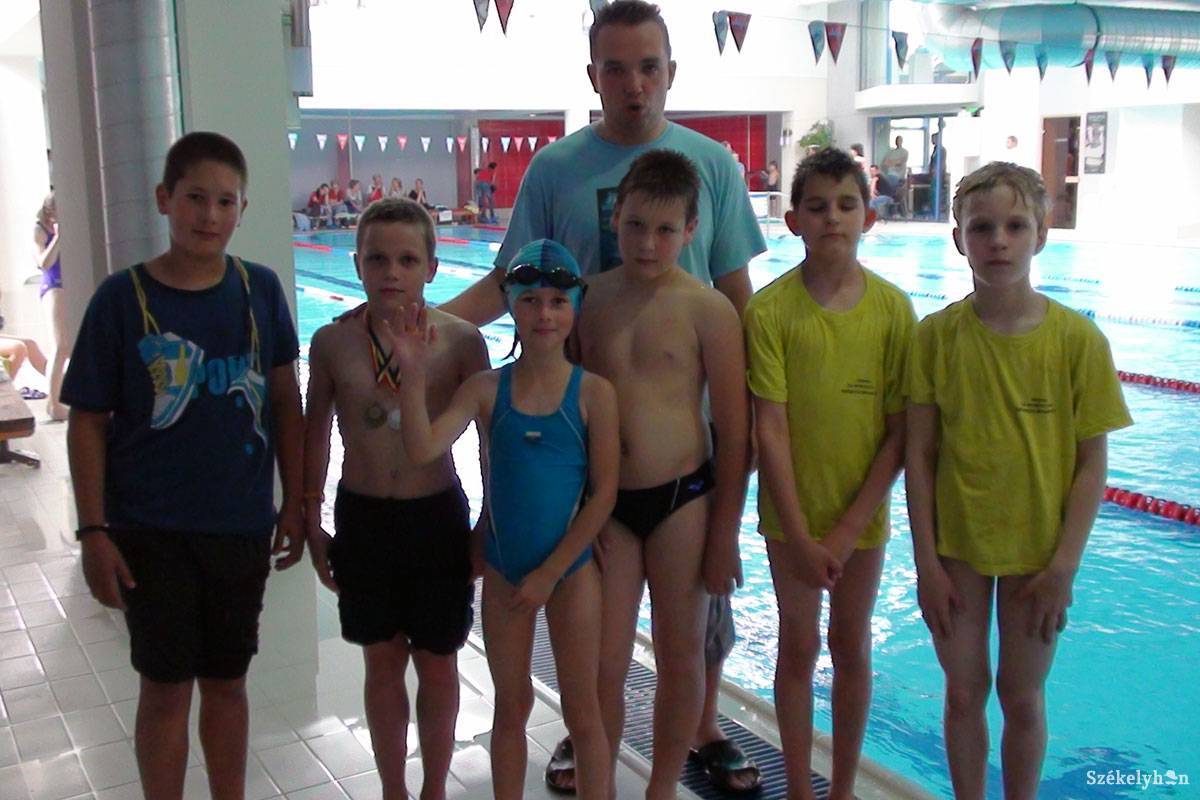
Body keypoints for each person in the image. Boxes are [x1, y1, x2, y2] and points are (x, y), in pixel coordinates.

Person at [438, 2, 766, 792]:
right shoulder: (557, 173)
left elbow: (738, 303)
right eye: (616, 69)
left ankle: (695, 741)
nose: (634, 84)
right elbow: (510, 282)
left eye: (649, 67)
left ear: (671, 71)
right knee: (600, 657)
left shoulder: (711, 168)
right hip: (596, 477)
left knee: (689, 644)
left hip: (685, 480)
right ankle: (592, 755)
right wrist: (421, 323)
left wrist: (743, 489)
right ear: (593, 76)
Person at [61, 131, 306, 799]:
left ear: (242, 210)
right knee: (165, 688)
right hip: (150, 531)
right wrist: (93, 531)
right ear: (165, 199)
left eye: (225, 201)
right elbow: (87, 421)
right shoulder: (121, 299)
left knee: (227, 682)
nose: (209, 214)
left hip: (238, 527)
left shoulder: (259, 291)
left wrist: (296, 502)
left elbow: (285, 400)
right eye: (196, 198)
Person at [905, 162, 1131, 799]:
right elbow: (919, 457)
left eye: (1014, 226)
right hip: (957, 551)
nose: (998, 241)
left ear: (1042, 235)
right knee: (964, 692)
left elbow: (1092, 466)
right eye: (982, 228)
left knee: (1022, 696)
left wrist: (1064, 566)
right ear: (959, 240)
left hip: (1039, 557)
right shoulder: (935, 337)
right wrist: (926, 565)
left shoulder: (1077, 341)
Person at [393, 239, 619, 800]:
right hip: (503, 567)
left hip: (570, 573)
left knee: (582, 709)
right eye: (530, 300)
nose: (544, 314)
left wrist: (551, 571)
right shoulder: (485, 390)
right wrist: (413, 376)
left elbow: (603, 496)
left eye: (558, 302)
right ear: (512, 305)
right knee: (510, 705)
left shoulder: (594, 394)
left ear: (575, 307)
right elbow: (422, 448)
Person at [576, 150, 750, 799]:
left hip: (684, 502)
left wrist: (725, 534)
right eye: (636, 226)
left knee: (681, 658)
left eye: (666, 229)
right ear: (614, 218)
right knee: (604, 663)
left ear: (691, 230)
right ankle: (601, 785)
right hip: (609, 506)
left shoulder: (709, 310)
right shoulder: (588, 300)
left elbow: (735, 432)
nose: (648, 243)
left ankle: (661, 789)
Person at [303, 197, 490, 800]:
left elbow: (490, 445)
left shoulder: (461, 342)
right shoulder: (333, 342)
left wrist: (487, 524)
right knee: (381, 663)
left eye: (407, 260)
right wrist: (310, 518)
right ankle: (393, 791)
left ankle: (433, 789)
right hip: (362, 518)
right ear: (356, 264)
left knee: (438, 662)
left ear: (432, 267)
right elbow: (315, 435)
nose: (391, 272)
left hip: (436, 517)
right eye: (377, 259)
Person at [745, 147, 915, 800]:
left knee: (851, 646)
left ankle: (841, 789)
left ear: (869, 217)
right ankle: (798, 788)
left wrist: (845, 531)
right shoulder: (770, 312)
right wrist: (800, 534)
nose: (833, 218)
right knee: (797, 647)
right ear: (793, 222)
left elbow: (899, 434)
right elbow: (770, 429)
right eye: (817, 207)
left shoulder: (894, 311)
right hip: (789, 519)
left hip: (861, 520)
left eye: (846, 205)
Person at [32, 191, 70, 419]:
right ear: (50, 212)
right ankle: (53, 403)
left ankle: (62, 398)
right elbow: (44, 263)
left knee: (70, 346)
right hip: (53, 286)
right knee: (60, 346)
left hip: (69, 285)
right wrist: (57, 238)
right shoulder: (40, 231)